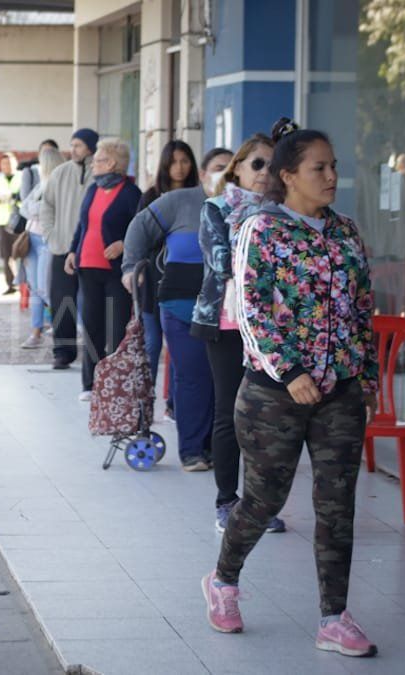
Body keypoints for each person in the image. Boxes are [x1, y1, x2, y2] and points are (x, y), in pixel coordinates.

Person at [204, 119, 379, 658]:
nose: (330, 176)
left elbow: (362, 306)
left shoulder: (345, 230)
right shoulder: (260, 229)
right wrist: (292, 372)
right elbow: (250, 310)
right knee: (262, 499)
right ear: (289, 175)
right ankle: (223, 581)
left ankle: (334, 617)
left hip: (342, 391)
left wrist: (366, 372)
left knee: (336, 504)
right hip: (274, 393)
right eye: (318, 168)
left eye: (333, 167)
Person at [190, 136, 285, 530]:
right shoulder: (217, 209)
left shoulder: (283, 214)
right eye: (257, 165)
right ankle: (227, 502)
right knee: (231, 413)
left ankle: (261, 505)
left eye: (271, 166)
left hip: (273, 327)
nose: (264, 173)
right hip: (227, 323)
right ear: (239, 169)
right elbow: (222, 262)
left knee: (269, 418)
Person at [122, 143, 219, 471]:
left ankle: (215, 446)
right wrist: (129, 267)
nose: (225, 173)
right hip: (180, 303)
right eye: (217, 167)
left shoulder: (244, 207)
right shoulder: (178, 200)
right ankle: (192, 450)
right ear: (203, 173)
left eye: (230, 167)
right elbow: (138, 228)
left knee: (220, 380)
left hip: (228, 310)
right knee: (193, 375)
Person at [64, 138, 140, 399]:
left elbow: (140, 230)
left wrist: (122, 244)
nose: (93, 164)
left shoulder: (131, 193)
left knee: (117, 329)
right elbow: (82, 225)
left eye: (97, 159)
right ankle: (90, 384)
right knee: (91, 326)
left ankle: (115, 383)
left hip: (116, 271)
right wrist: (73, 250)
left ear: (111, 163)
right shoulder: (93, 189)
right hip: (87, 265)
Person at [134, 141, 201, 423]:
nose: (179, 167)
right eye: (173, 162)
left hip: (187, 284)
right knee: (151, 343)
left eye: (185, 160)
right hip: (154, 281)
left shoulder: (201, 196)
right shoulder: (151, 196)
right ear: (164, 164)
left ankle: (175, 403)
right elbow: (139, 235)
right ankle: (143, 406)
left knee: (179, 349)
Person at [40, 129, 97, 370]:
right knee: (62, 301)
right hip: (62, 248)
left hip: (93, 250)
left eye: (79, 145)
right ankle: (63, 352)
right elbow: (47, 206)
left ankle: (97, 351)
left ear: (91, 148)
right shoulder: (60, 173)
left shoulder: (101, 174)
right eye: (72, 145)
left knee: (94, 303)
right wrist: (51, 235)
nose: (73, 150)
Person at [18, 146, 64, 349]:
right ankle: (36, 332)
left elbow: (47, 210)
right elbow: (24, 207)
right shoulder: (41, 184)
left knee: (46, 288)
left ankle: (70, 323)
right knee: (35, 288)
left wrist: (36, 210)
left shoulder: (58, 183)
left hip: (47, 240)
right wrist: (37, 210)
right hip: (32, 240)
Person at [0, 152, 24, 295]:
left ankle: (25, 285)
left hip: (20, 222)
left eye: (9, 163)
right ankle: (11, 284)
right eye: (4, 163)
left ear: (15, 163)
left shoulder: (23, 176)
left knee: (23, 253)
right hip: (3, 222)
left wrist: (14, 197)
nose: (6, 166)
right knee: (6, 255)